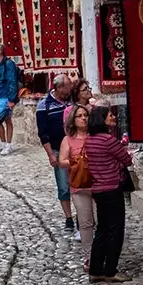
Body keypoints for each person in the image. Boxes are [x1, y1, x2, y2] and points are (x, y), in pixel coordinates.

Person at [85, 106, 133, 283]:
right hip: (112, 188)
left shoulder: (89, 141)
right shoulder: (108, 140)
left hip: (98, 189)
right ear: (102, 119)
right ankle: (111, 269)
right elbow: (126, 159)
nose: (113, 117)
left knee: (102, 230)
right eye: (110, 115)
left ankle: (96, 269)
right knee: (115, 230)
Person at [60, 104, 100, 269]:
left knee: (100, 221)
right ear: (73, 120)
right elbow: (61, 161)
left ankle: (101, 252)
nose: (84, 118)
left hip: (99, 185)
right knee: (85, 222)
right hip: (79, 186)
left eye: (86, 115)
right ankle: (90, 256)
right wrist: (75, 161)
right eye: (80, 116)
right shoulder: (68, 140)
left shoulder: (96, 136)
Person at [37, 76, 75, 236]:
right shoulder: (44, 105)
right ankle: (68, 217)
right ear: (58, 88)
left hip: (75, 148)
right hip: (58, 150)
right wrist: (51, 155)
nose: (69, 91)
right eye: (66, 88)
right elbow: (42, 133)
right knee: (63, 185)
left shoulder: (72, 100)